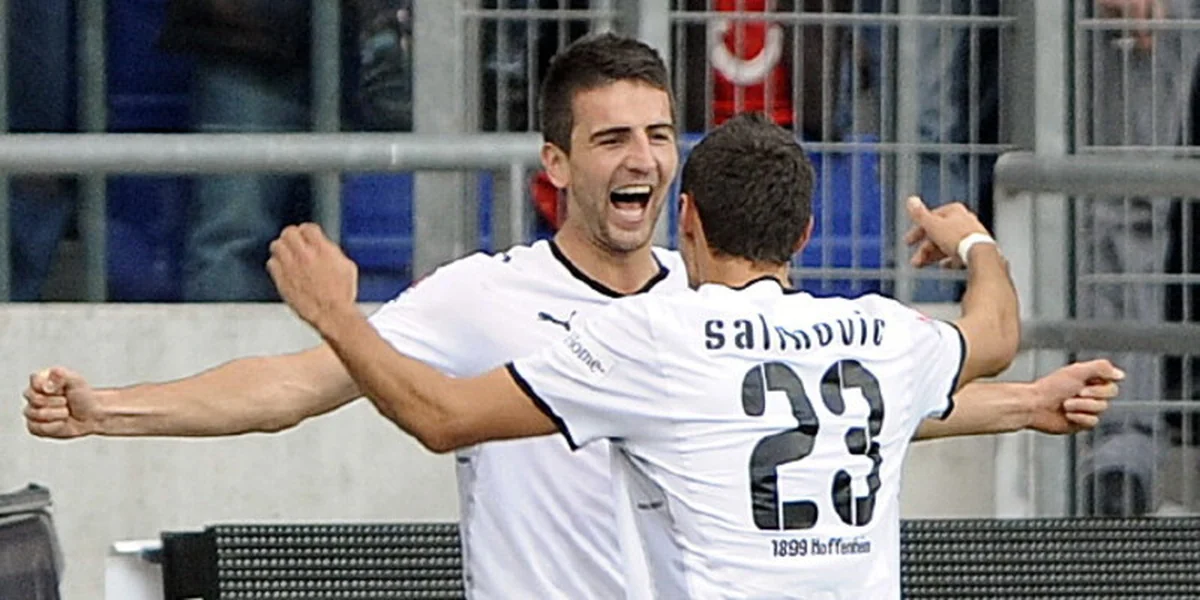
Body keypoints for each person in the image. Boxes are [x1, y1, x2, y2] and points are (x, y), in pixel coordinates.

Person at [23, 34, 1118, 599]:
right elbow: (293, 387)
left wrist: (1023, 404)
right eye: (612, 139)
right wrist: (109, 409)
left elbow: (825, 416)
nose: (642, 157)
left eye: (660, 135)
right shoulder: (483, 296)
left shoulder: (704, 311)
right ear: (555, 164)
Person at [248, 112, 1097, 596]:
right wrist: (974, 243)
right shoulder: (882, 336)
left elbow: (441, 417)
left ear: (685, 219)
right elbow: (995, 335)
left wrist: (337, 317)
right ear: (805, 232)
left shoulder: (656, 338)